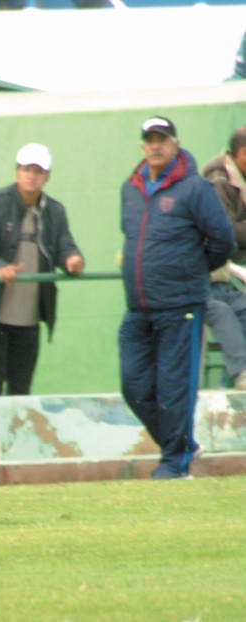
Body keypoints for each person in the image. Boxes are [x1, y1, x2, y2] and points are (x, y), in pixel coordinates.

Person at [119, 116, 234, 480]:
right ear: (142, 145)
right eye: (149, 139)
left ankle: (175, 464)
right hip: (138, 307)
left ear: (174, 143)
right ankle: (181, 444)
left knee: (173, 388)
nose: (155, 145)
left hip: (181, 306)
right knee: (134, 386)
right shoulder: (130, 188)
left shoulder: (196, 189)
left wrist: (192, 271)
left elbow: (223, 241)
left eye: (162, 139)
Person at [0, 143, 84, 396]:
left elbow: (64, 246)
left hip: (28, 320)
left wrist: (73, 259)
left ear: (46, 177)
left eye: (38, 171)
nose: (31, 175)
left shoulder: (55, 211)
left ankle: (15, 437)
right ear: (17, 172)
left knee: (20, 390)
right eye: (26, 169)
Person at [200, 127, 246, 389]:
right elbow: (225, 233)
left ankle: (229, 387)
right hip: (206, 279)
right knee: (224, 314)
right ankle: (233, 382)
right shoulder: (218, 179)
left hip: (225, 278)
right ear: (242, 154)